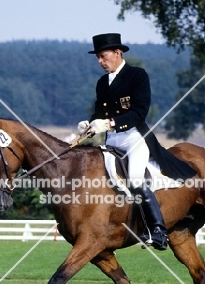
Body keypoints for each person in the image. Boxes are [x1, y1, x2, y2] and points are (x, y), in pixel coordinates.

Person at [79, 33, 196, 251]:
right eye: (98, 58)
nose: (100, 62)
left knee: (134, 178)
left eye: (103, 56)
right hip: (112, 141)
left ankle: (158, 231)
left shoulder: (137, 76)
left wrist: (109, 123)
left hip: (134, 137)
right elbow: (99, 113)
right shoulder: (102, 83)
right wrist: (89, 125)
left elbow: (139, 112)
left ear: (117, 53)